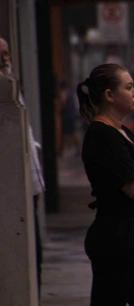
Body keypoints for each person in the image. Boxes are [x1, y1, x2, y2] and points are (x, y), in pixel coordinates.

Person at [77, 63, 134, 306]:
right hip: (117, 241)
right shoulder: (102, 136)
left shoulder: (122, 131)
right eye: (128, 87)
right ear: (109, 95)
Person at [1, 36, 46, 291]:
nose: (6, 58)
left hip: (30, 191)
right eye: (2, 54)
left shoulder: (14, 91)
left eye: (7, 53)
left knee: (34, 258)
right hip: (14, 196)